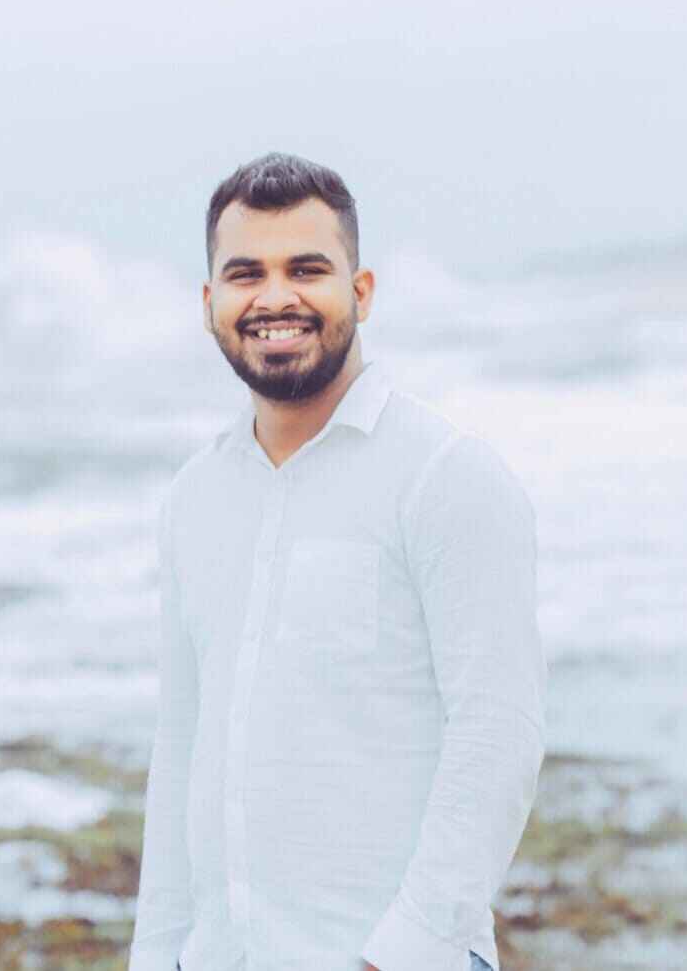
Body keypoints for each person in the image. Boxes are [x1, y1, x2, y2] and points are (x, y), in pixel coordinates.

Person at [127, 152, 547, 971]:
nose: (275, 297)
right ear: (210, 303)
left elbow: (500, 732)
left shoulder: (445, 476)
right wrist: (156, 952)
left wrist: (406, 952)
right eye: (245, 273)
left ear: (361, 291)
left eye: (306, 269)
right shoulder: (193, 500)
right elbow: (181, 748)